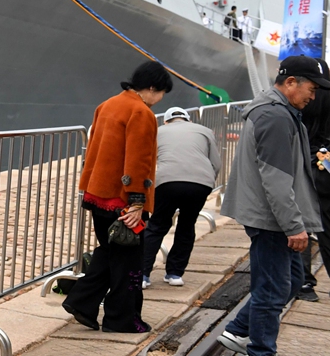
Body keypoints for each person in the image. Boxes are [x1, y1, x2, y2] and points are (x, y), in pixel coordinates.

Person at [218, 55, 330, 356]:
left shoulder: (280, 111)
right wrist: (294, 226)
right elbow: (276, 178)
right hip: (271, 218)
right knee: (273, 286)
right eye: (312, 88)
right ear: (291, 82)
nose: (313, 96)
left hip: (272, 214)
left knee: (292, 280)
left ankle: (240, 330)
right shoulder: (275, 116)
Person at [62, 60, 172, 333]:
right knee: (128, 263)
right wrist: (136, 202)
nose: (160, 99)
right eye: (161, 93)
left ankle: (82, 302)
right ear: (152, 88)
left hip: (97, 193)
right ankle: (121, 319)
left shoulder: (107, 105)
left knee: (111, 252)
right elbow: (138, 160)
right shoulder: (141, 112)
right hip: (123, 200)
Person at [141, 107, 221, 288]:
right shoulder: (205, 131)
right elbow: (216, 163)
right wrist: (207, 182)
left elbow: (149, 160)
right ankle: (175, 274)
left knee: (157, 225)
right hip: (200, 182)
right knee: (187, 225)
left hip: (166, 181)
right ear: (189, 120)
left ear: (166, 121)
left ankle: (143, 274)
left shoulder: (158, 131)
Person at [298, 92, 330, 301]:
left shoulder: (303, 97)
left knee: (301, 226)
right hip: (325, 165)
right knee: (327, 225)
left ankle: (304, 282)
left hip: (304, 163)